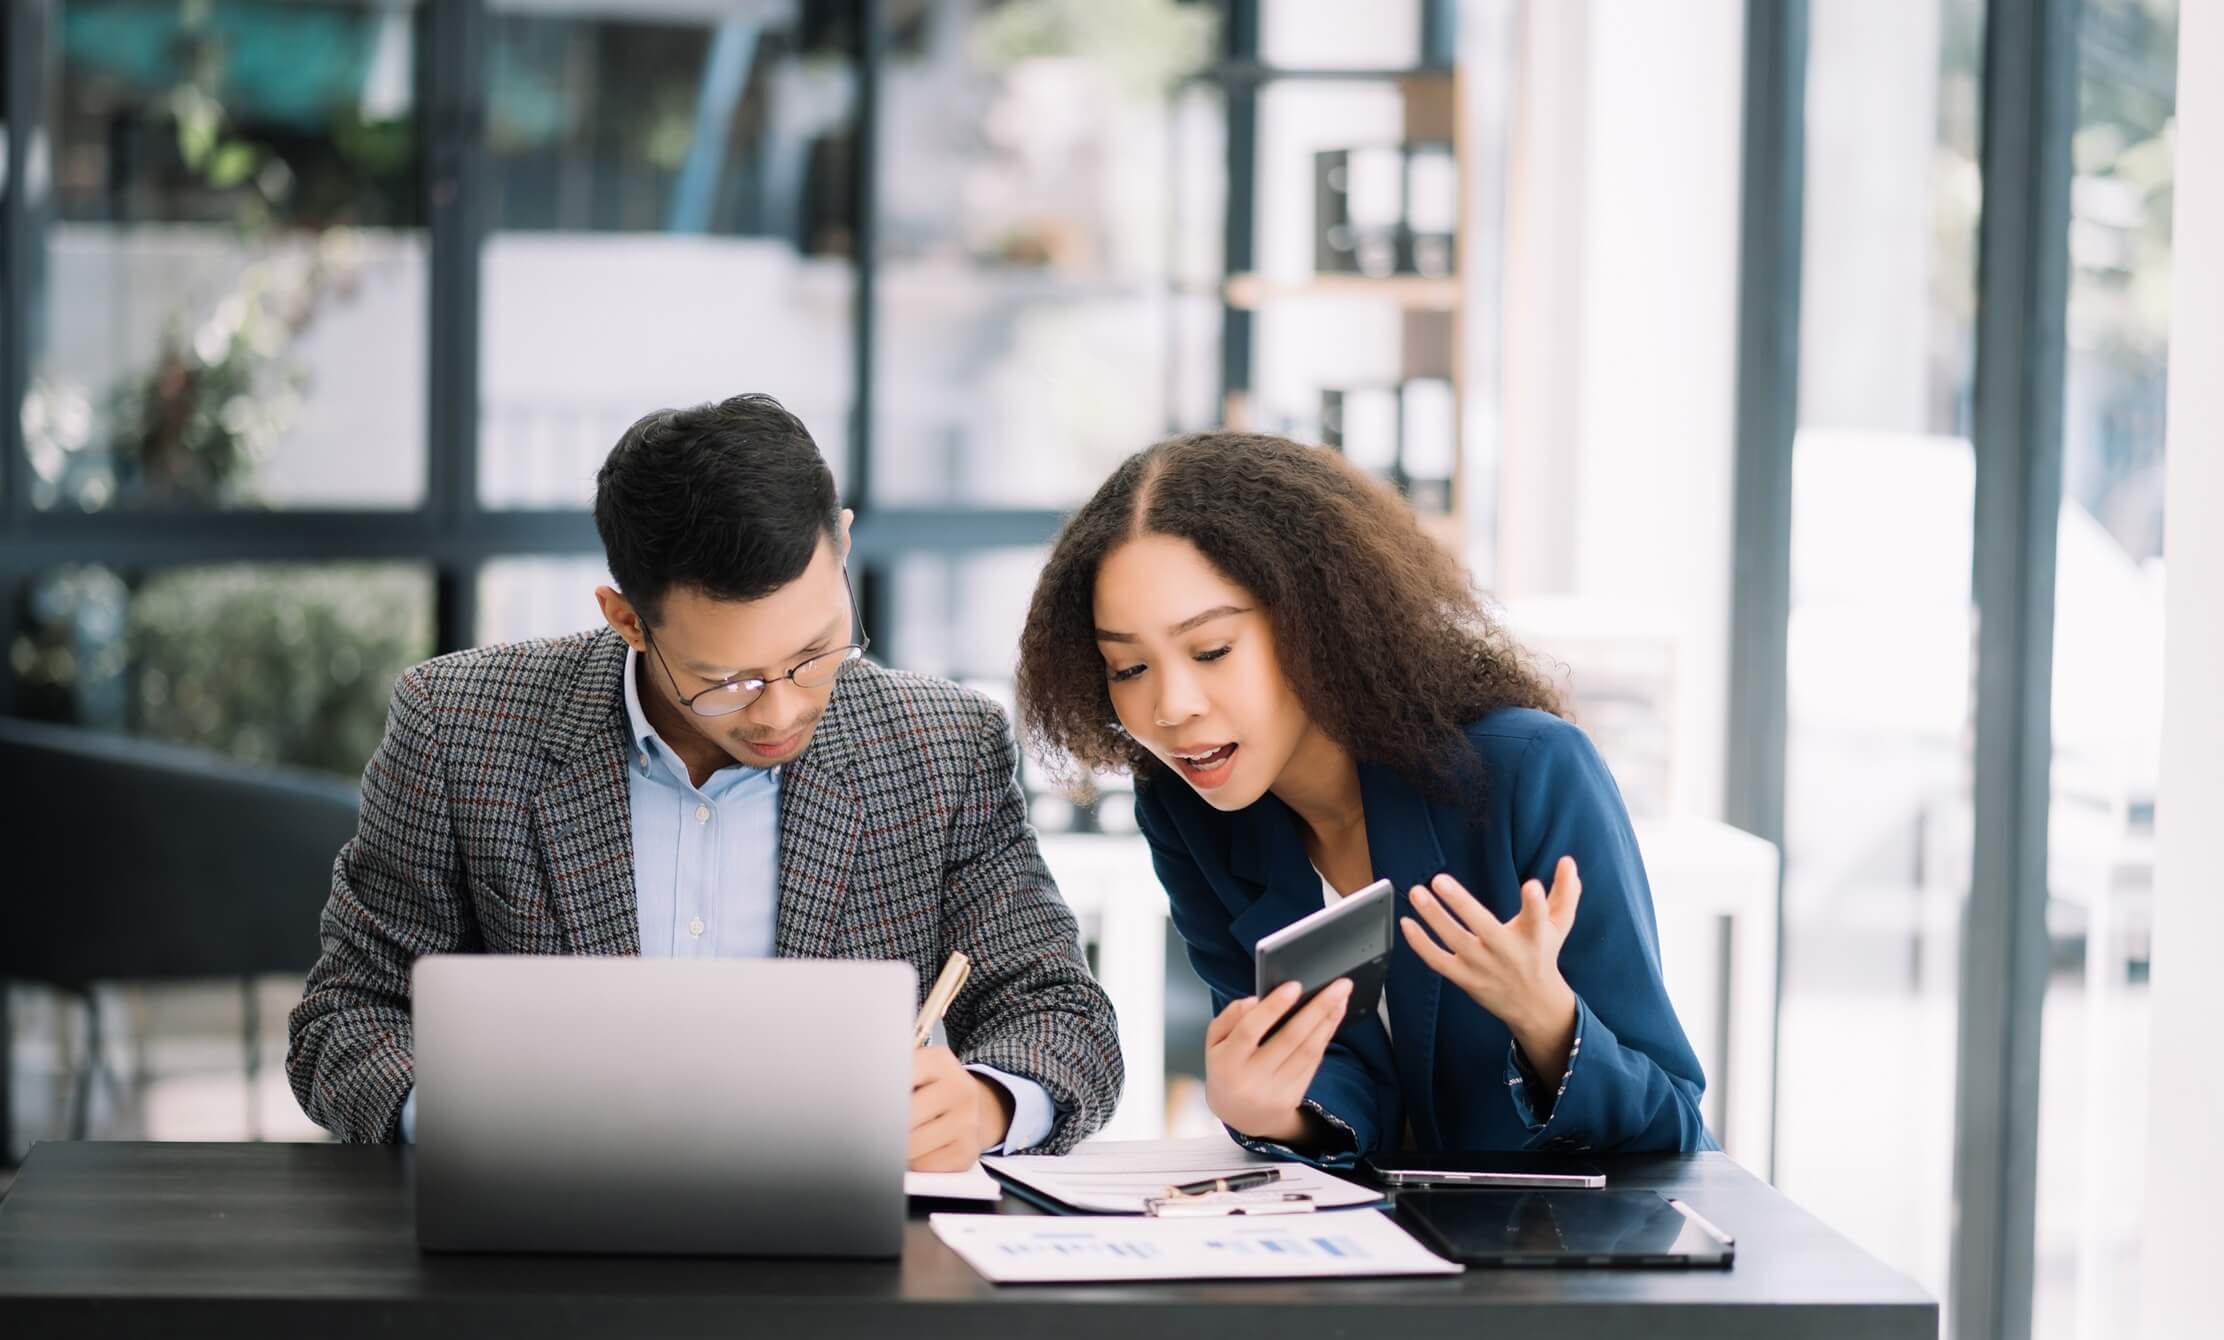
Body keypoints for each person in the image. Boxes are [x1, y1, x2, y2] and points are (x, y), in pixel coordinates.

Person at [286, 393, 1122, 1169]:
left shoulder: (940, 748)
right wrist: (464, 1126)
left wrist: (989, 1103)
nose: (782, 711)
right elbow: (347, 1016)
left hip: (844, 1277)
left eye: (818, 651)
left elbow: (1063, 1013)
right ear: (625, 619)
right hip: (544, 1253)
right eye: (729, 681)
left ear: (844, 541)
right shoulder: (459, 729)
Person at [1014, 431, 1710, 1158]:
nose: (1171, 707)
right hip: (1371, 1253)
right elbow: (1334, 1082)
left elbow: (1673, 1122)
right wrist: (1275, 1111)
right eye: (1127, 668)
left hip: (1571, 1252)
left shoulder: (1530, 771)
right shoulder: (1191, 812)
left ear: (1320, 621)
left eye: (1211, 651)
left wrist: (1546, 1019)